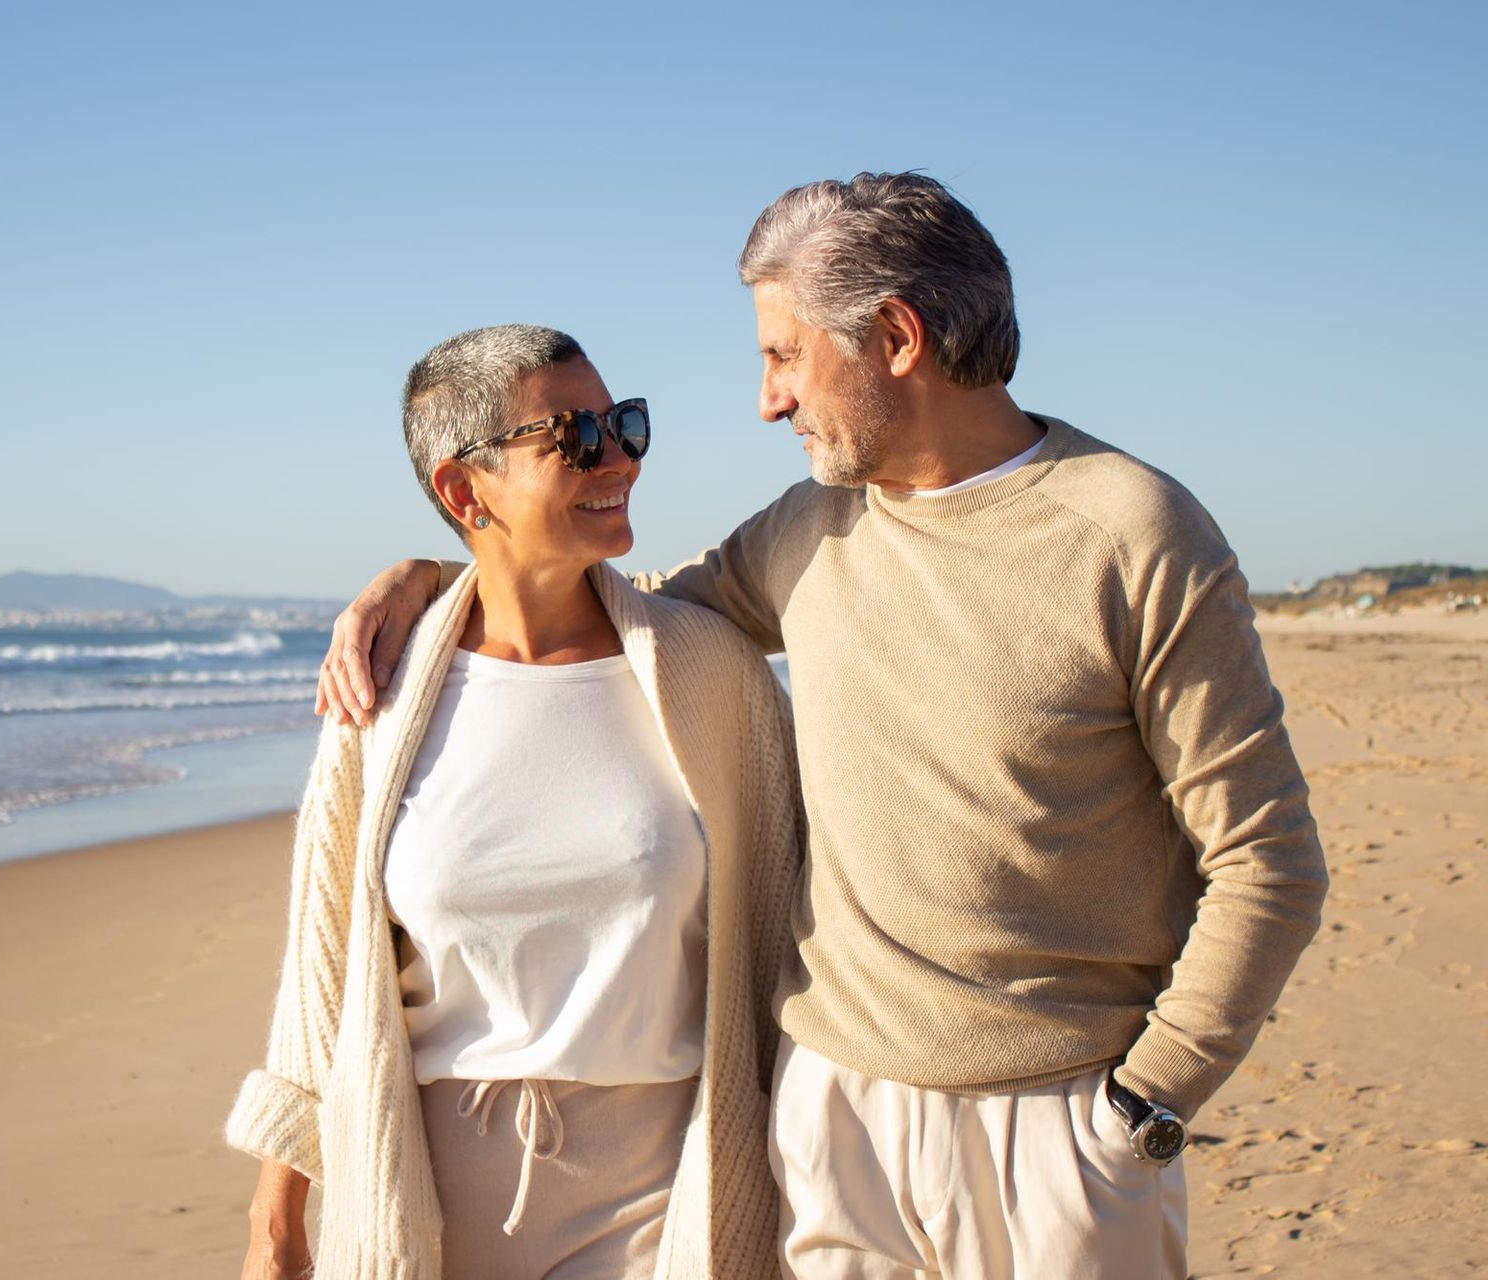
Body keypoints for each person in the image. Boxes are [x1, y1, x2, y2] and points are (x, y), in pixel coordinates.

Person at [316, 175, 1331, 1279]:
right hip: (830, 1119)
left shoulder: (1134, 531)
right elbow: (607, 600)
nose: (767, 400)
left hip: (1059, 1128)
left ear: (895, 337)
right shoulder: (811, 525)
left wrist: (1148, 1100)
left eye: (783, 356)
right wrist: (425, 574)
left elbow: (1269, 859)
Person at [227, 324, 803, 1279]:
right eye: (576, 436)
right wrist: (275, 1213)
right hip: (425, 1182)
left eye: (627, 425)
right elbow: (320, 962)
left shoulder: (710, 673)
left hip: (668, 1183)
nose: (616, 455)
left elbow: (788, 935)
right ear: (464, 489)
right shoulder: (385, 689)